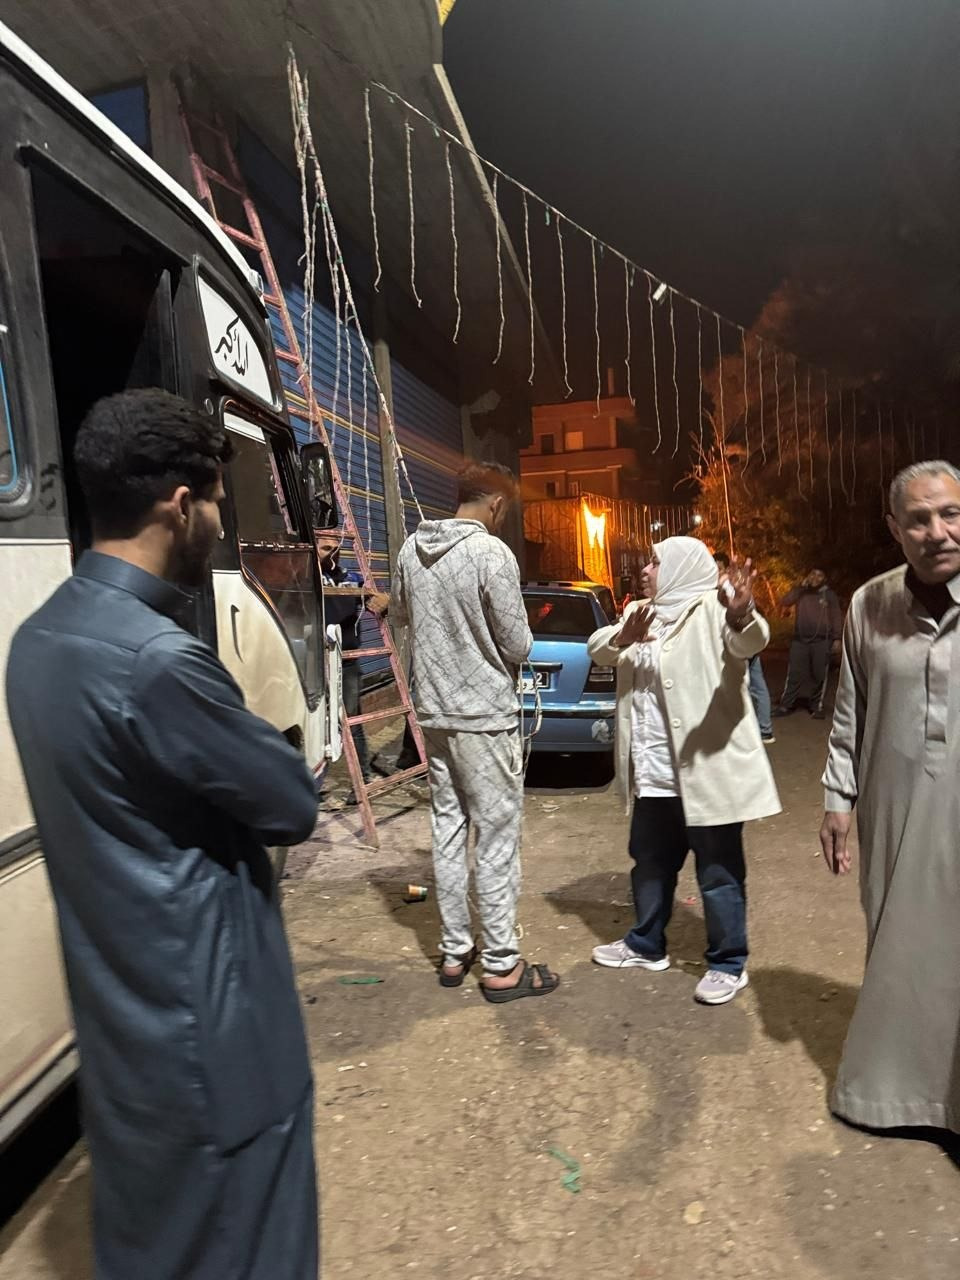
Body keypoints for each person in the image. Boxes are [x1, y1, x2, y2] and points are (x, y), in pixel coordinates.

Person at [6, 390, 319, 1279]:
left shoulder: (38, 641)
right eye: (217, 502)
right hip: (220, 1048)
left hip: (125, 1046)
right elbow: (290, 802)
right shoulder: (159, 660)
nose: (218, 524)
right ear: (181, 506)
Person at [820, 459, 960, 1134]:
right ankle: (897, 1094)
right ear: (895, 528)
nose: (938, 531)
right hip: (894, 804)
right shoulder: (869, 605)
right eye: (919, 519)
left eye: (951, 514)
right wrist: (837, 798)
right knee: (900, 942)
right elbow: (850, 711)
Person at [392, 461, 559, 1003]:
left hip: (434, 713)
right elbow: (518, 644)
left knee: (447, 830)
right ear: (497, 504)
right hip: (484, 719)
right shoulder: (492, 554)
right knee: (496, 839)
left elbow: (400, 615)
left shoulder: (410, 551)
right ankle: (502, 965)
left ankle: (454, 950)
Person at [588, 537, 781, 1005]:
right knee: (650, 863)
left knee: (718, 872)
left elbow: (751, 640)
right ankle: (645, 944)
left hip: (705, 771)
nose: (646, 570)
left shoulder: (714, 608)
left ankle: (728, 963)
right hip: (653, 770)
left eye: (655, 562)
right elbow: (598, 649)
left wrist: (741, 612)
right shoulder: (641, 612)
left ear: (680, 567)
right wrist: (623, 637)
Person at [316, 530, 388, 805]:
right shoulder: (307, 577)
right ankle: (313, 783)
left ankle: (363, 780)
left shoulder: (351, 578)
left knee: (351, 721)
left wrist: (386, 601)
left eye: (336, 548)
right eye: (325, 548)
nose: (332, 553)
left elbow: (375, 602)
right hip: (314, 662)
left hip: (346, 661)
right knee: (317, 723)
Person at [715, 550, 775, 744]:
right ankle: (764, 728)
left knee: (749, 686)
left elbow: (748, 618)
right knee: (757, 685)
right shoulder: (716, 587)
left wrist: (738, 616)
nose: (715, 571)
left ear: (725, 568)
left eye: (718, 567)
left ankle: (759, 730)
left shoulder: (730, 586)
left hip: (740, 643)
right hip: (740, 643)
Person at [775, 569, 842, 719]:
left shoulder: (829, 595)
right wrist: (800, 586)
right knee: (794, 674)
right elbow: (785, 601)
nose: (815, 577)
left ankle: (816, 706)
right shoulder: (801, 592)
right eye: (812, 574)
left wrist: (837, 638)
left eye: (819, 575)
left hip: (822, 641)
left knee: (819, 675)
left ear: (824, 578)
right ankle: (786, 705)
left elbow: (836, 616)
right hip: (800, 640)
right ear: (808, 576)